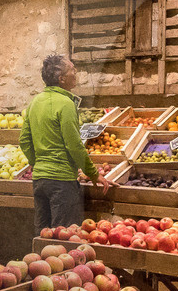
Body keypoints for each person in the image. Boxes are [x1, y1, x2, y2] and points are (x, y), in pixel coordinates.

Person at [20, 54, 112, 234]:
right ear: (61, 79)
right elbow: (74, 146)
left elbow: (24, 140)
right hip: (61, 182)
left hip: (40, 180)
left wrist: (36, 162)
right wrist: (93, 174)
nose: (75, 72)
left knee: (43, 234)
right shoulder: (66, 104)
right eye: (71, 69)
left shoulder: (35, 102)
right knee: (64, 237)